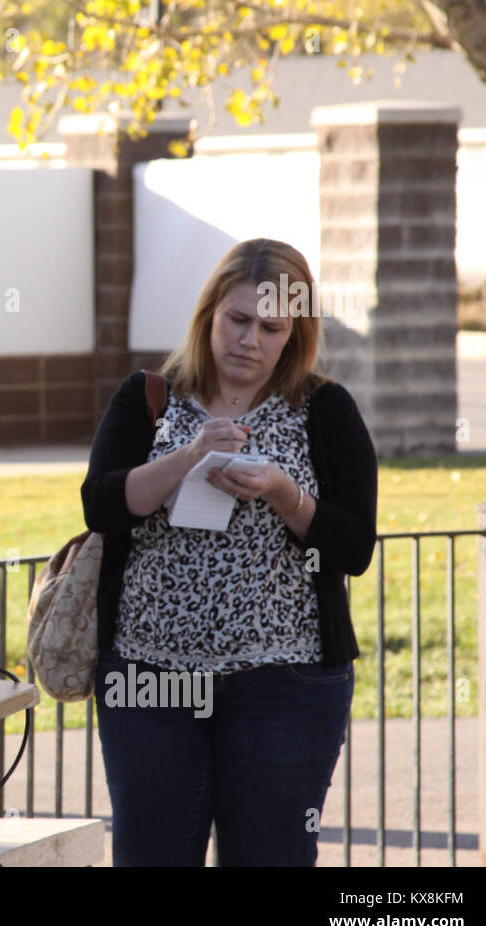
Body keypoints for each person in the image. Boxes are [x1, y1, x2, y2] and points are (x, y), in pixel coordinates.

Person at [80, 237, 378, 866]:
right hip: (150, 680)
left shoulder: (324, 409)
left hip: (285, 683)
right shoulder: (149, 398)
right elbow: (101, 506)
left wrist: (282, 492)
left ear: (295, 332)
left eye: (271, 328)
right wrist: (187, 457)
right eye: (238, 320)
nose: (250, 341)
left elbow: (352, 547)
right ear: (209, 314)